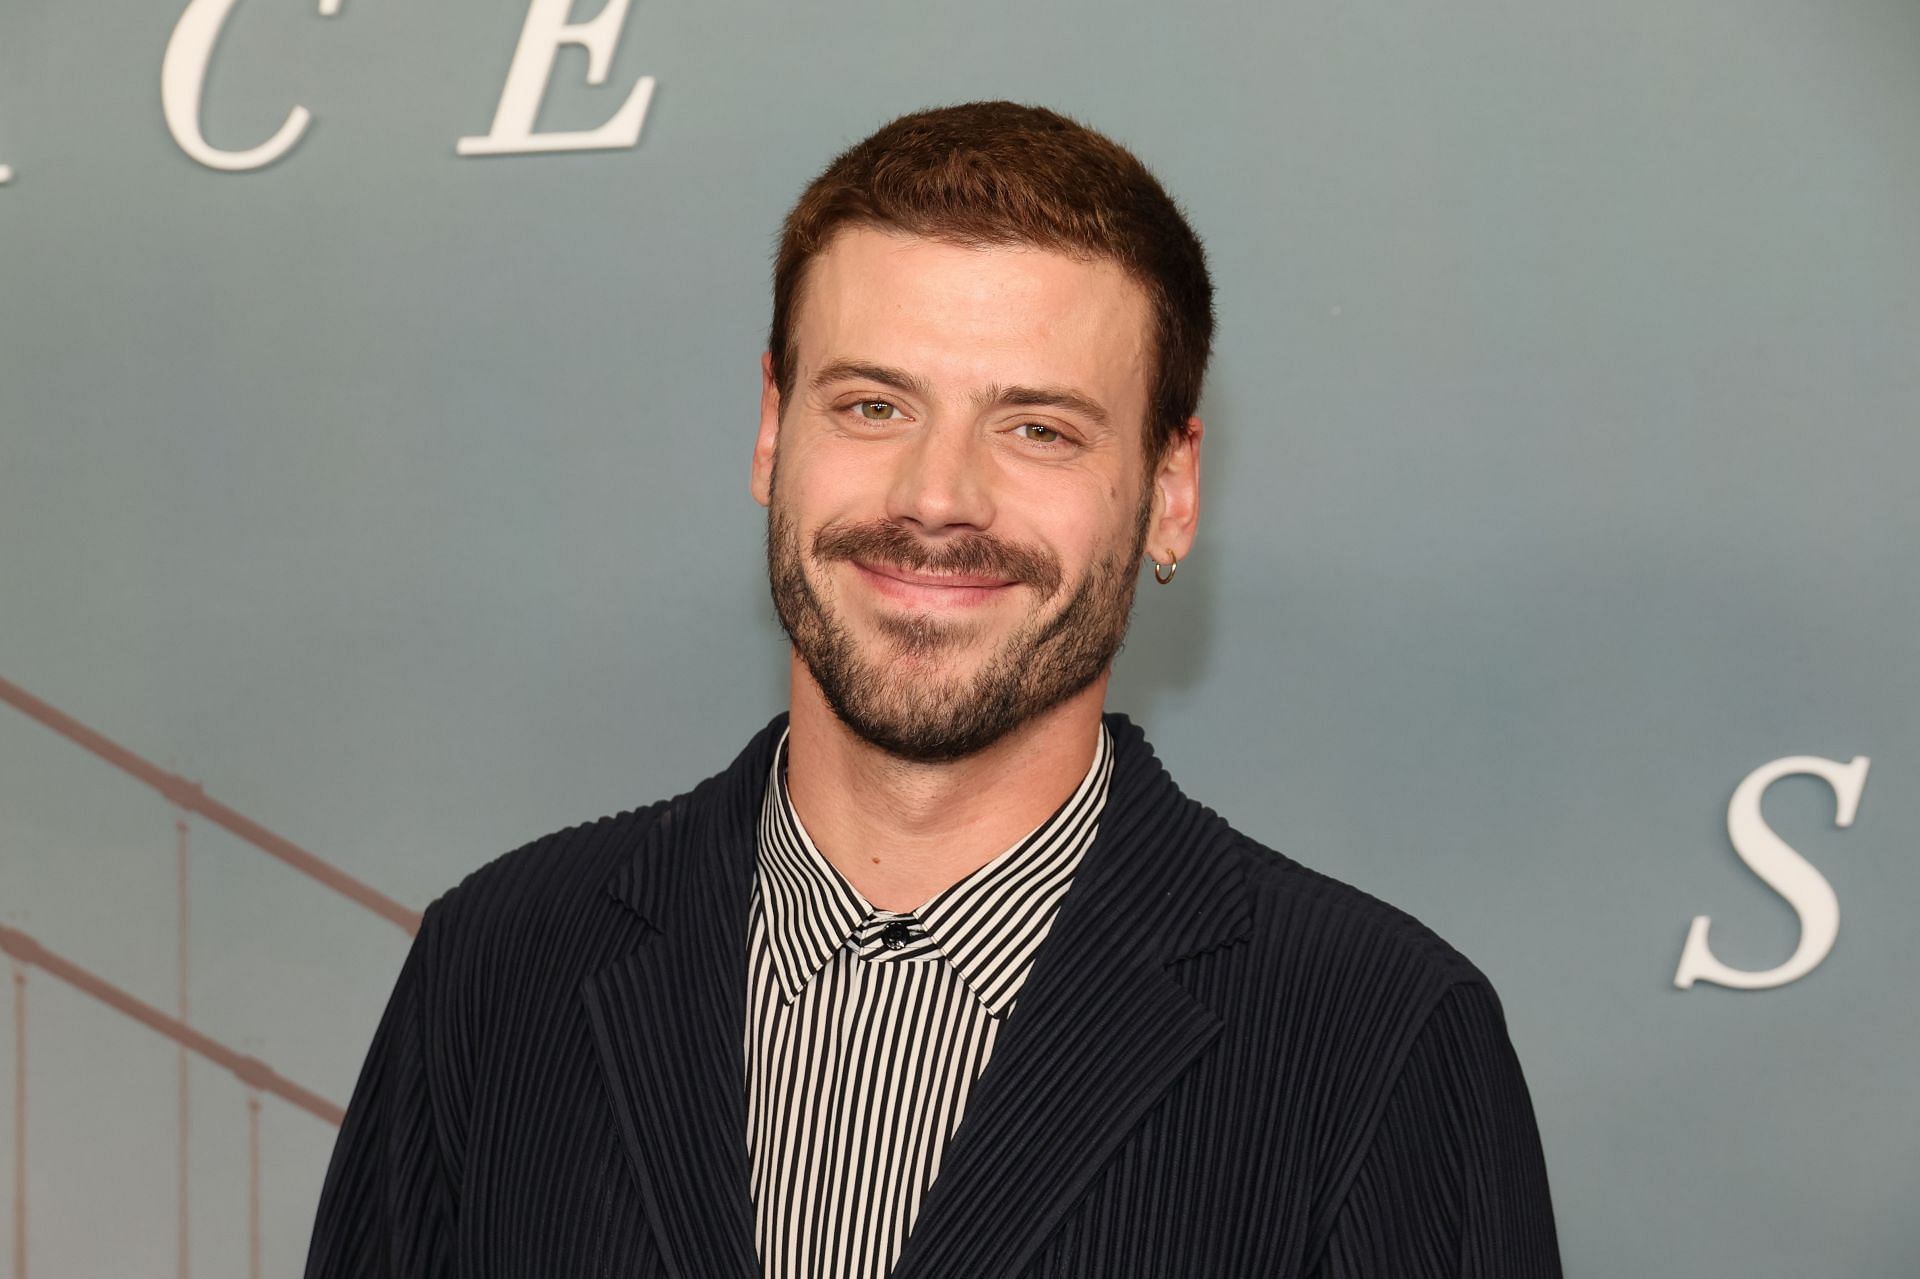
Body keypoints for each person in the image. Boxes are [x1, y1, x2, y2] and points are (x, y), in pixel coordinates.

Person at [303, 101, 1562, 1278]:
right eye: (872, 403)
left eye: (1038, 429)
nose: (936, 495)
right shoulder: (499, 967)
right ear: (770, 429)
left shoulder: (1382, 1039)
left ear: (1172, 489)